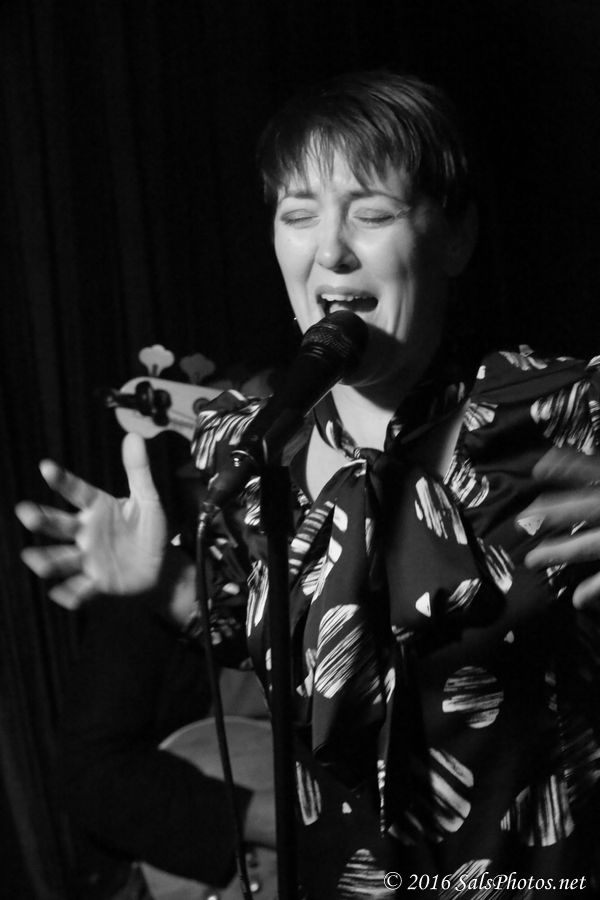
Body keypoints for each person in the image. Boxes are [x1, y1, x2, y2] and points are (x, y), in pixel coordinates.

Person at [16, 70, 600, 897]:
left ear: (456, 236)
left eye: (373, 213)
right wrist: (171, 585)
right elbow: (288, 643)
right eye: (298, 215)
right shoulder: (256, 453)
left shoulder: (564, 412)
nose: (330, 250)